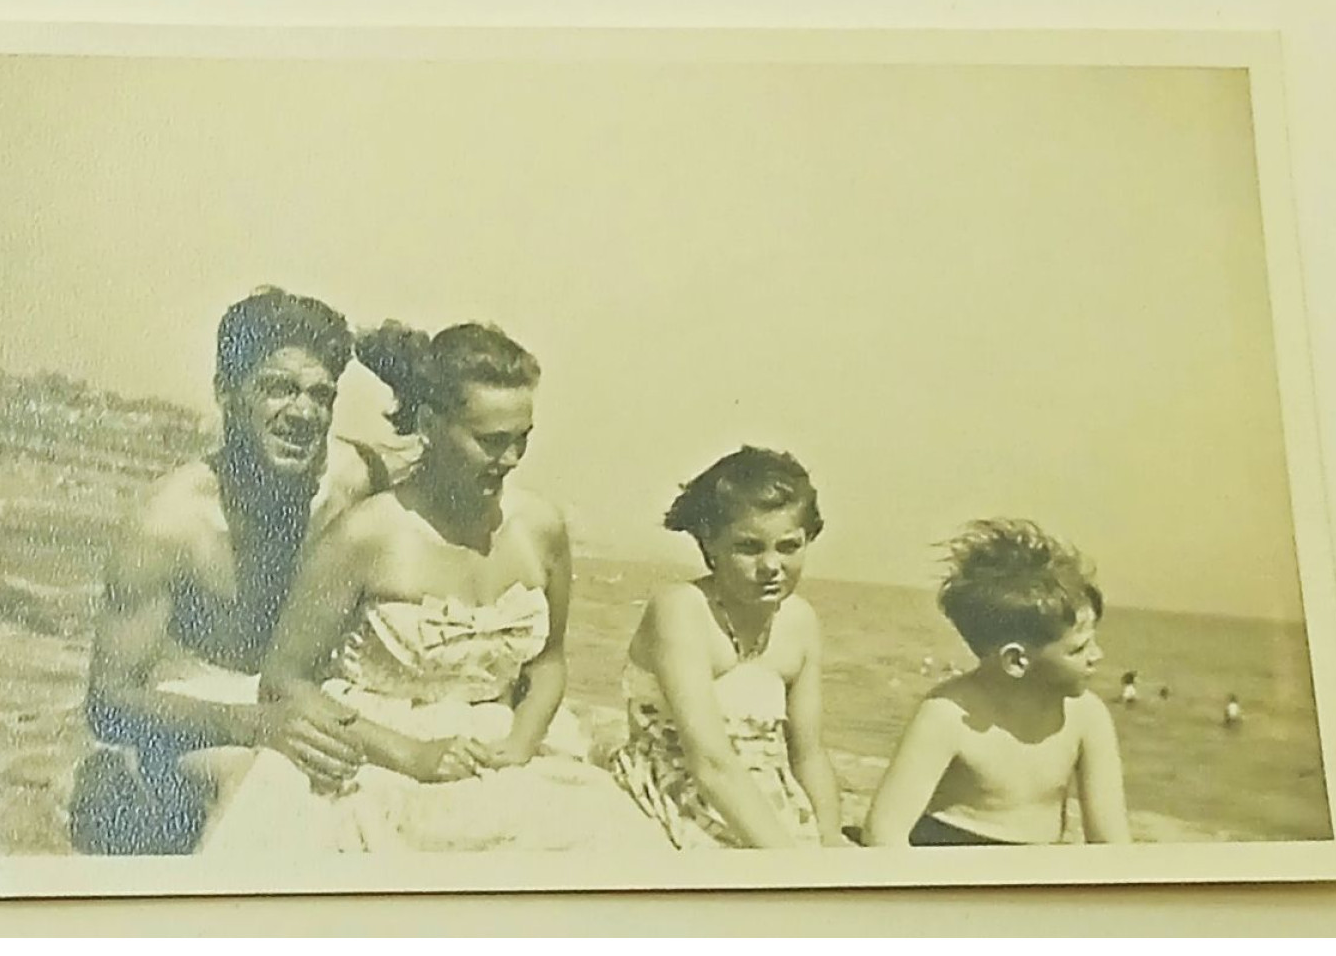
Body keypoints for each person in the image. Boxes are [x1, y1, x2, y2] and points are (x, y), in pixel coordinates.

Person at [200, 320, 668, 853]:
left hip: (499, 747)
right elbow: (283, 681)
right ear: (429, 423)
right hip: (375, 755)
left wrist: (519, 744)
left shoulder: (541, 528)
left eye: (522, 439)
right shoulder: (367, 534)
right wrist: (410, 755)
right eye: (491, 442)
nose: (511, 459)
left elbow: (548, 663)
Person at [71, 288, 388, 854]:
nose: (303, 412)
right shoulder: (171, 523)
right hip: (200, 714)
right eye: (278, 388)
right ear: (226, 392)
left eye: (321, 395)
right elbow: (109, 702)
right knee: (262, 788)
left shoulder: (355, 481)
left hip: (303, 703)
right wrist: (255, 724)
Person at [609, 447, 846, 848]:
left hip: (766, 799)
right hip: (677, 791)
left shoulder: (800, 621)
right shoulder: (681, 609)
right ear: (710, 544)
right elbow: (711, 763)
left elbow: (808, 754)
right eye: (749, 547)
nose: (771, 565)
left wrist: (830, 837)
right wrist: (790, 862)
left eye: (789, 546)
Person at [863, 519, 1130, 847]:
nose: (1097, 655)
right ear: (1016, 660)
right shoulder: (946, 716)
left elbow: (1111, 842)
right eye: (1079, 648)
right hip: (946, 865)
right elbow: (883, 832)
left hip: (1031, 877)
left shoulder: (1087, 717)